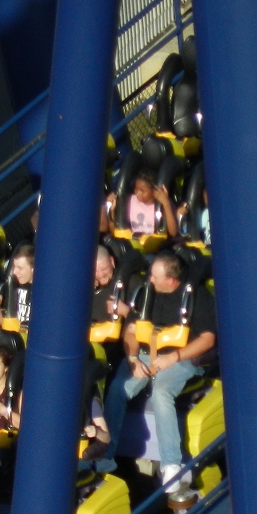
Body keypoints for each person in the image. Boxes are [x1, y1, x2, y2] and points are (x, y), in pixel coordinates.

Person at [97, 250, 216, 494]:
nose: (149, 279)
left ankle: (172, 463)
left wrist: (174, 356)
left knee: (161, 392)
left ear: (171, 280)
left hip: (180, 358)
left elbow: (207, 339)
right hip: (143, 355)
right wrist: (132, 359)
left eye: (154, 276)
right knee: (118, 389)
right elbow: (130, 331)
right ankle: (106, 454)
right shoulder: (145, 293)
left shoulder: (197, 297)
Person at [0, 244, 34, 330]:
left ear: (33, 268)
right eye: (14, 267)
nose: (14, 272)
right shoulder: (13, 287)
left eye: (20, 268)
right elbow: (4, 323)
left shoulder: (42, 291)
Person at [125, 171, 179, 239]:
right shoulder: (131, 200)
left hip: (155, 245)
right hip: (134, 240)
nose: (137, 193)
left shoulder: (164, 204)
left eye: (142, 191)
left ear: (154, 190)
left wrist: (166, 204)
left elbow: (173, 232)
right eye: (136, 189)